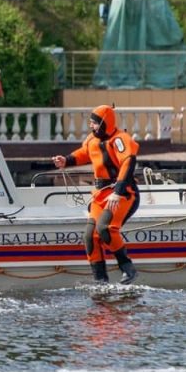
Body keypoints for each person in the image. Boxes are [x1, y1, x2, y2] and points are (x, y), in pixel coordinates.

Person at [52, 105, 140, 284]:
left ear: (104, 123)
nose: (91, 126)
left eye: (94, 123)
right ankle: (100, 280)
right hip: (100, 194)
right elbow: (84, 154)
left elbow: (128, 163)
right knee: (90, 236)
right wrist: (66, 160)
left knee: (105, 228)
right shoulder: (92, 140)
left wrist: (117, 192)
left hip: (123, 193)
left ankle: (128, 268)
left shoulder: (120, 139)